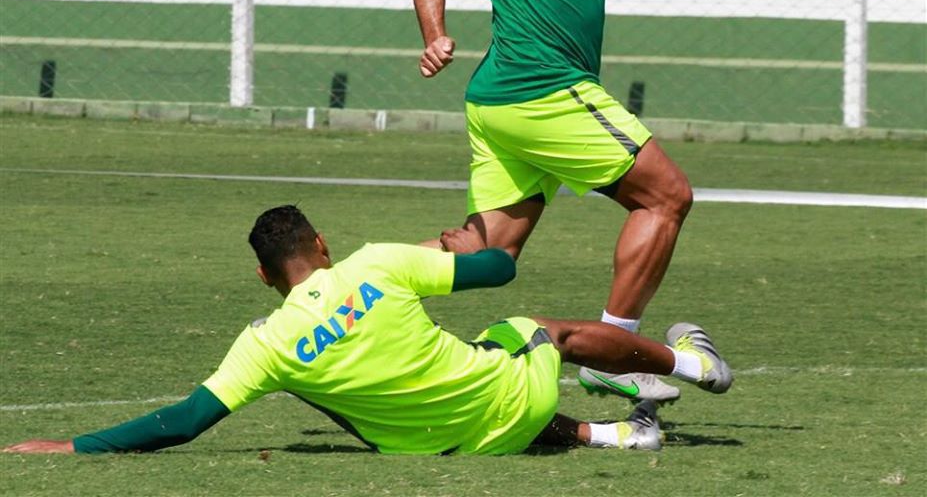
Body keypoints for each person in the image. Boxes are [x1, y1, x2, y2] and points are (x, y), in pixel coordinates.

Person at [412, 0, 736, 405]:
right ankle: (613, 352)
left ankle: (333, 291)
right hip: (543, 88)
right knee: (666, 196)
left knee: (488, 252)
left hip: (502, 103)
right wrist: (435, 33)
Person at [3, 205, 731, 458]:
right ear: (321, 244)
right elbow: (499, 273)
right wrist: (458, 246)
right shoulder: (378, 263)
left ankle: (614, 437)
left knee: (420, 384)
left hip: (446, 446)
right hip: (510, 402)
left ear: (264, 277)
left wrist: (72, 444)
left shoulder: (264, 345)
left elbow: (184, 421)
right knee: (527, 328)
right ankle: (689, 362)